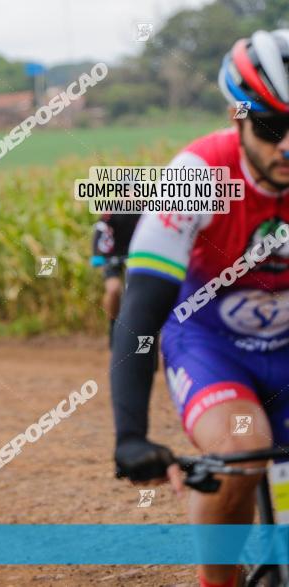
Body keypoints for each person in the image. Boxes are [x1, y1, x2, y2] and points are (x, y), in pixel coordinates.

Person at [111, 29, 289, 587]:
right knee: (243, 447)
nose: (288, 147)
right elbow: (140, 314)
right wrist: (130, 434)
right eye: (271, 127)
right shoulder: (195, 176)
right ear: (239, 120)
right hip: (211, 343)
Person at [91, 213, 141, 344]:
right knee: (113, 289)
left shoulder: (145, 212)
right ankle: (113, 325)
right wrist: (97, 254)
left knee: (138, 292)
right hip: (112, 256)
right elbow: (99, 231)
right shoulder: (111, 212)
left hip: (136, 255)